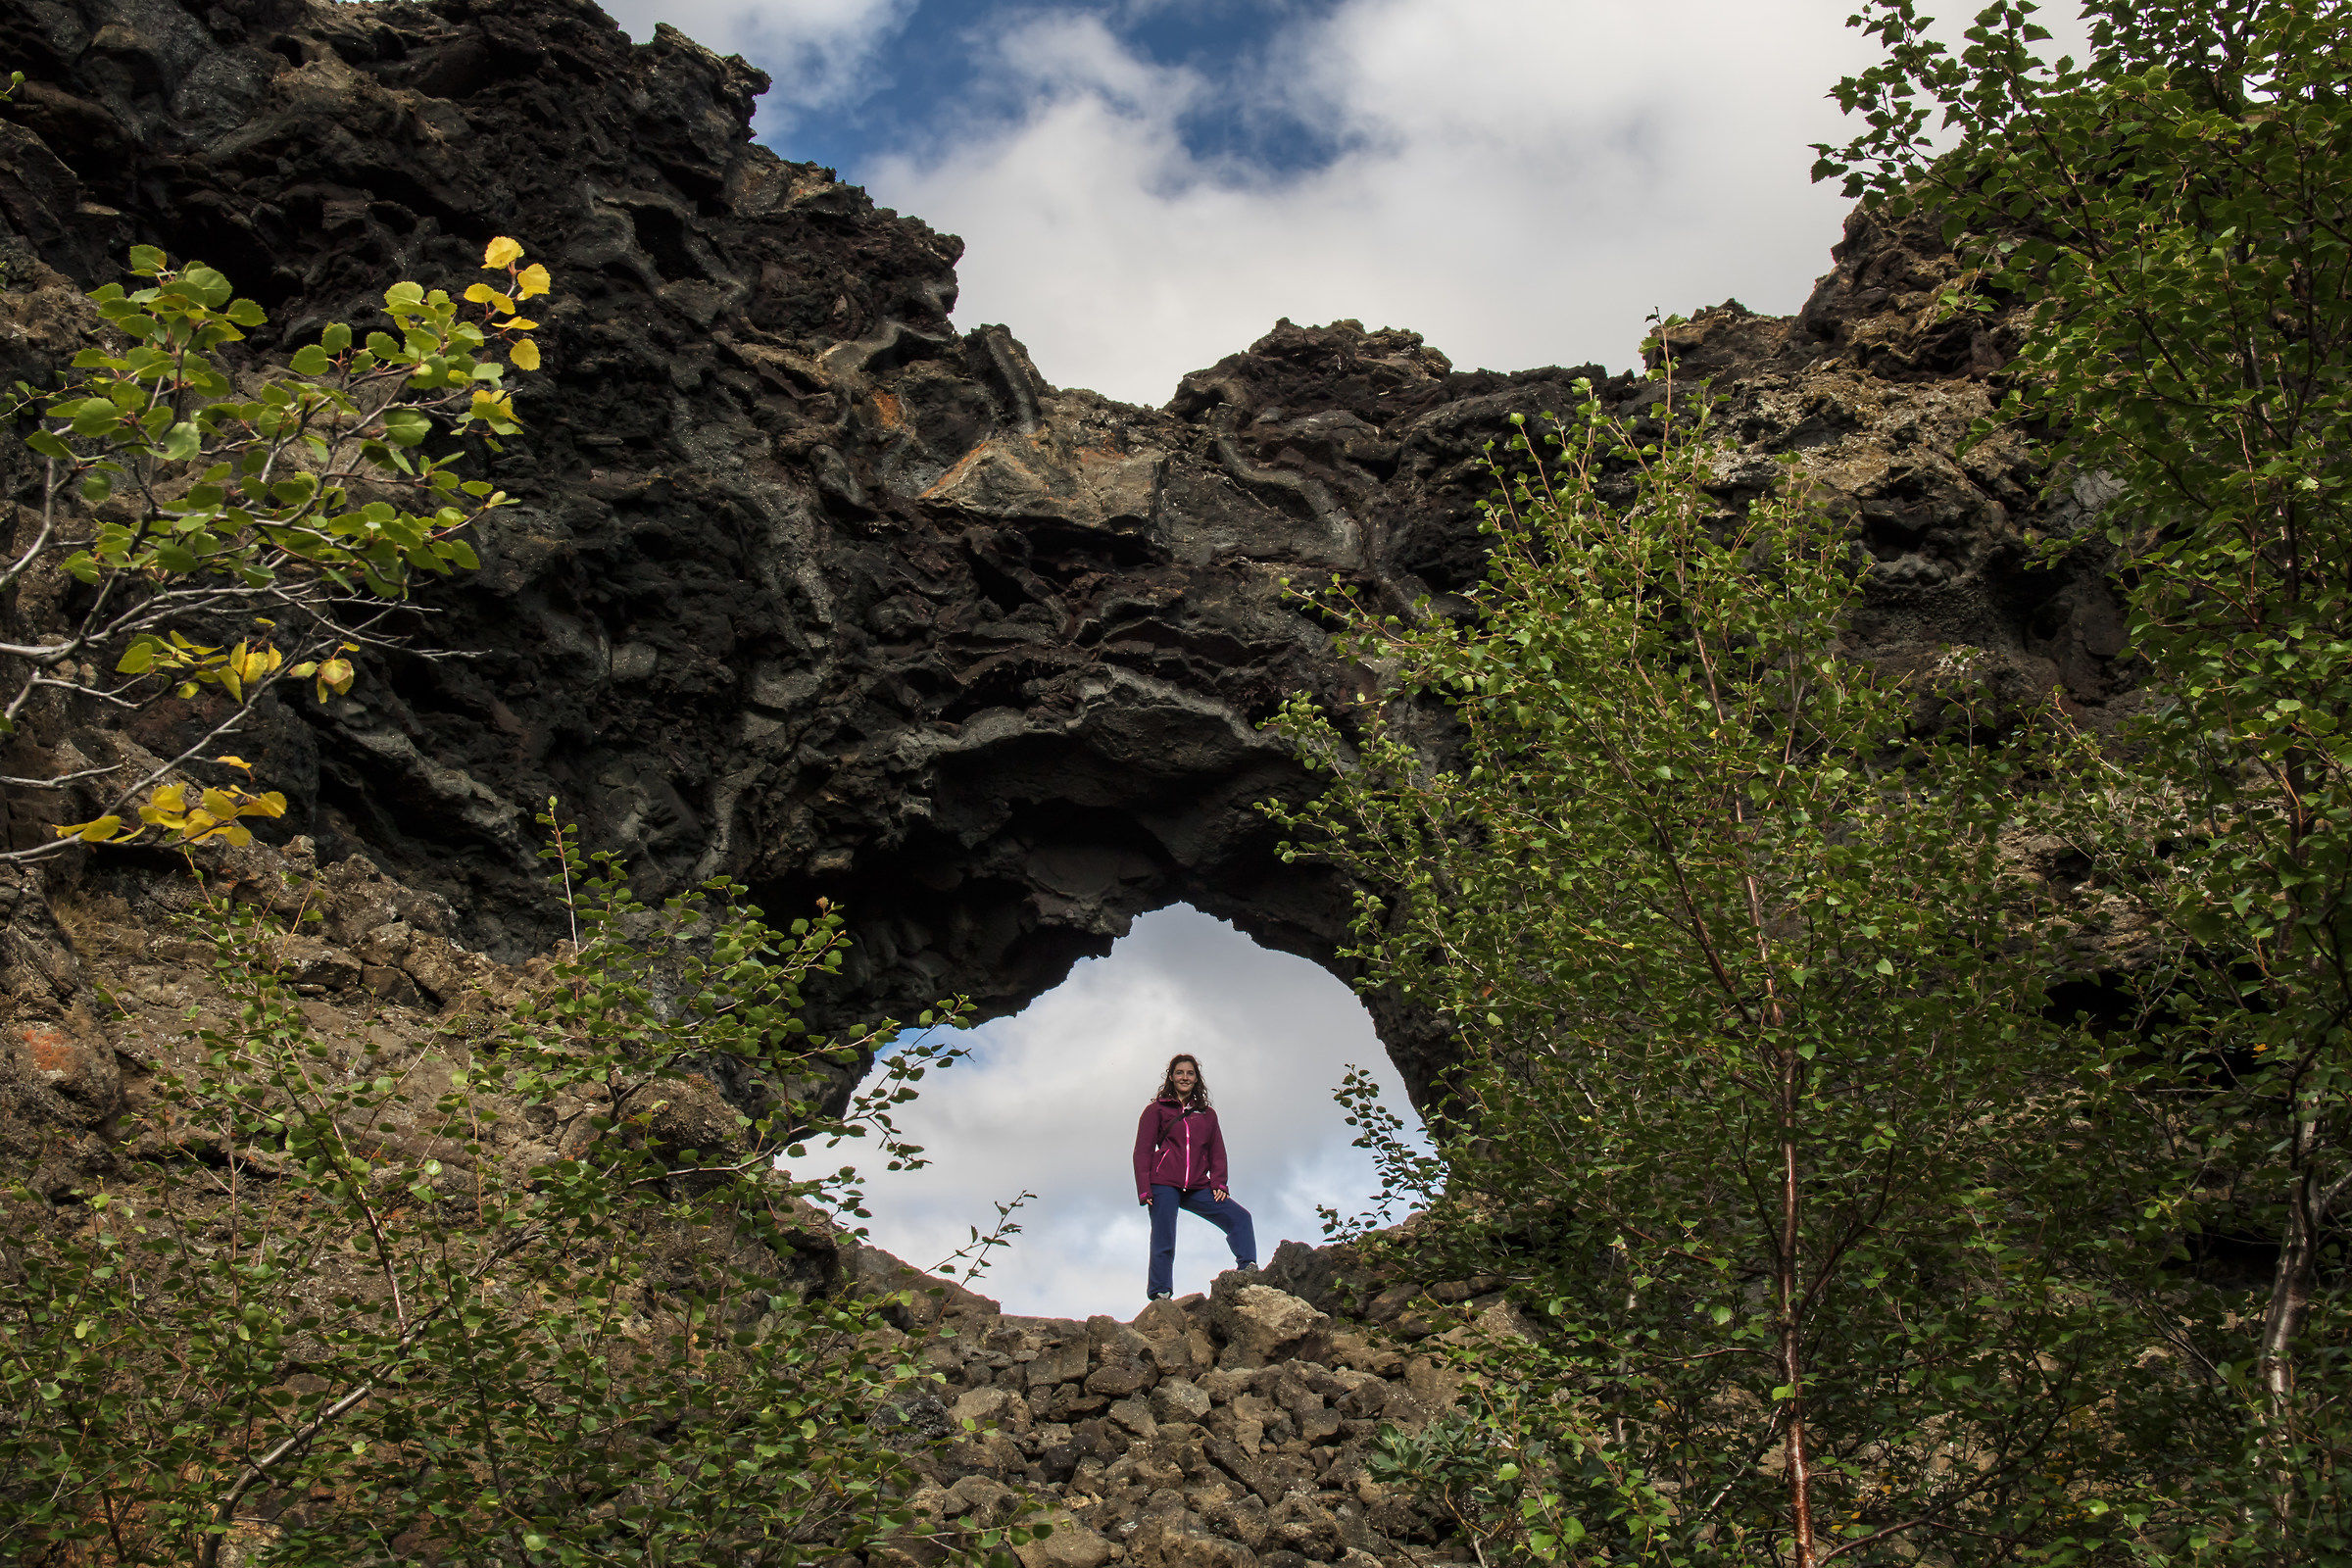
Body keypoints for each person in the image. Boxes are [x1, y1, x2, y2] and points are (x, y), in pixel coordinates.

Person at [1133, 1053, 1256, 1300]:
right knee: (1163, 1238)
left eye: (1190, 1073)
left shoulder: (1207, 1115)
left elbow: (1217, 1150)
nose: (1184, 1077)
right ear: (1171, 1076)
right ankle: (1160, 1293)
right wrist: (1144, 1188)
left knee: (1241, 1218)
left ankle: (1249, 1271)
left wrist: (1219, 1181)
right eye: (1180, 1073)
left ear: (1196, 1078)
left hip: (1199, 1185)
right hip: (1164, 1184)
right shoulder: (1155, 1110)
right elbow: (1142, 1151)